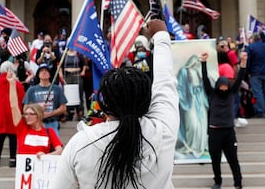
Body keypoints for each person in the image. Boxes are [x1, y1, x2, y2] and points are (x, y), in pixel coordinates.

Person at [53, 19, 179, 189]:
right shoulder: (163, 131)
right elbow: (165, 82)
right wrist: (161, 37)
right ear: (147, 100)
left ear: (104, 104)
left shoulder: (80, 144)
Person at [201, 51, 248, 189]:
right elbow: (205, 79)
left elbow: (239, 78)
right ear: (217, 85)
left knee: (233, 159)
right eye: (221, 85)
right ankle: (217, 181)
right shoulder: (212, 94)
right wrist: (203, 62)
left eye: (226, 85)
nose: (223, 88)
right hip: (214, 132)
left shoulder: (231, 93)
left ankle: (238, 183)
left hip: (228, 132)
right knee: (215, 160)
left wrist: (243, 62)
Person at [7, 69, 63, 158]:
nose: (27, 116)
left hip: (42, 169)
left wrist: (46, 156)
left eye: (31, 114)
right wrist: (12, 84)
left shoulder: (49, 131)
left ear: (39, 115)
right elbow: (14, 106)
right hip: (25, 171)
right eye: (26, 114)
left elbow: (59, 150)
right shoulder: (22, 128)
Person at [0, 61, 25, 168]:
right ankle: (12, 160)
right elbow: (22, 97)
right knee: (13, 138)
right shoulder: (16, 83)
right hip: (12, 114)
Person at [176, 53, 209, 158]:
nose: (198, 63)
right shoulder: (184, 71)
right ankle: (190, 146)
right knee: (192, 124)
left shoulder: (198, 72)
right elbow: (180, 87)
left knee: (202, 123)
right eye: (197, 61)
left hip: (199, 99)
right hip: (189, 101)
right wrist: (182, 101)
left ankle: (201, 146)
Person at [23, 63, 67, 137]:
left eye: (46, 71)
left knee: (54, 146)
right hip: (36, 123)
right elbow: (25, 108)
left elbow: (63, 108)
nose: (44, 72)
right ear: (38, 75)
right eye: (41, 71)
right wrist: (38, 111)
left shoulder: (57, 89)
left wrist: (49, 114)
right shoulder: (31, 90)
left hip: (52, 123)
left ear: (50, 75)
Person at [245, 33, 265, 118]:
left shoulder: (250, 47)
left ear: (252, 39)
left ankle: (261, 112)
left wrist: (247, 72)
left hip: (255, 73)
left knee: (258, 93)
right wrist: (262, 34)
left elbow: (248, 61)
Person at [60, 48, 87, 120]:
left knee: (79, 94)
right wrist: (61, 74)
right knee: (67, 94)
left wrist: (83, 71)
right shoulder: (64, 54)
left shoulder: (78, 54)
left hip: (77, 75)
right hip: (67, 76)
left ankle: (80, 112)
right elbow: (60, 65)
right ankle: (67, 113)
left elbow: (84, 64)